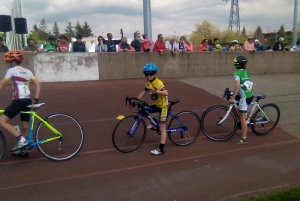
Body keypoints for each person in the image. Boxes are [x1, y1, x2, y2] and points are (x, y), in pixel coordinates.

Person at [0, 50, 41, 155]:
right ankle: (24, 149)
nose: (7, 64)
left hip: (18, 101)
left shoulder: (12, 70)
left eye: (7, 62)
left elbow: (2, 84)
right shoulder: (28, 71)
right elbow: (38, 84)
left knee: (2, 121)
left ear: (13, 62)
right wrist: (35, 99)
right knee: (25, 126)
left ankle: (21, 140)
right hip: (27, 101)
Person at [137, 63, 168, 155]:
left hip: (163, 106)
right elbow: (143, 92)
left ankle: (161, 149)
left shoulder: (158, 83)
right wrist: (136, 100)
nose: (148, 76)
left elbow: (166, 93)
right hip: (155, 104)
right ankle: (153, 120)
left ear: (155, 74)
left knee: (162, 128)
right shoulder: (148, 83)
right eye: (146, 74)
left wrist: (157, 91)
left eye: (150, 74)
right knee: (144, 109)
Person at [229, 56, 253, 145]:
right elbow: (243, 85)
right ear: (244, 65)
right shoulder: (246, 72)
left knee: (243, 118)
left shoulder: (236, 73)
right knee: (233, 107)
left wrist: (233, 97)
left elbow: (238, 85)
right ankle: (244, 118)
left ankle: (244, 139)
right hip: (247, 95)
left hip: (244, 98)